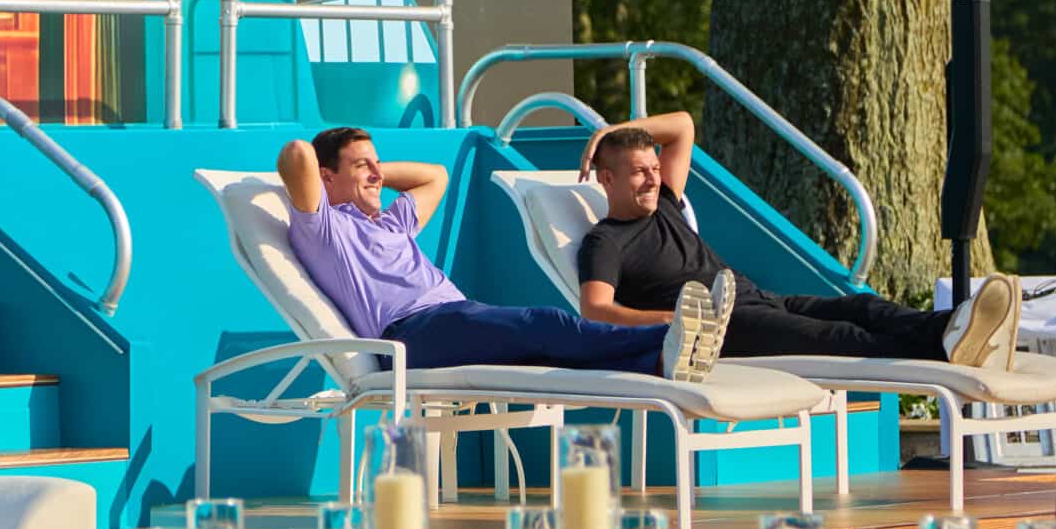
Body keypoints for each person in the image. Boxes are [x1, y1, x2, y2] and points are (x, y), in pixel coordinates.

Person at [574, 111, 1021, 367]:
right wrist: (680, 320)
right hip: (723, 326)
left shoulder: (665, 200)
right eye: (638, 172)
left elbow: (683, 126)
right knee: (836, 336)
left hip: (756, 299)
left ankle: (954, 327)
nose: (652, 178)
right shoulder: (606, 242)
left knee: (862, 306)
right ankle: (950, 353)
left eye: (654, 168)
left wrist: (609, 132)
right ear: (608, 178)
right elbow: (596, 309)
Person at [278, 126, 725, 379]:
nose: (377, 175)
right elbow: (297, 153)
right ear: (326, 179)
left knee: (546, 349)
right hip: (410, 334)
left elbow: (435, 177)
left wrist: (368, 173)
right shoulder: (325, 229)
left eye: (379, 164)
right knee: (545, 323)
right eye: (362, 165)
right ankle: (671, 335)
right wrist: (351, 181)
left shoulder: (390, 221)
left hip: (455, 316)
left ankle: (661, 360)